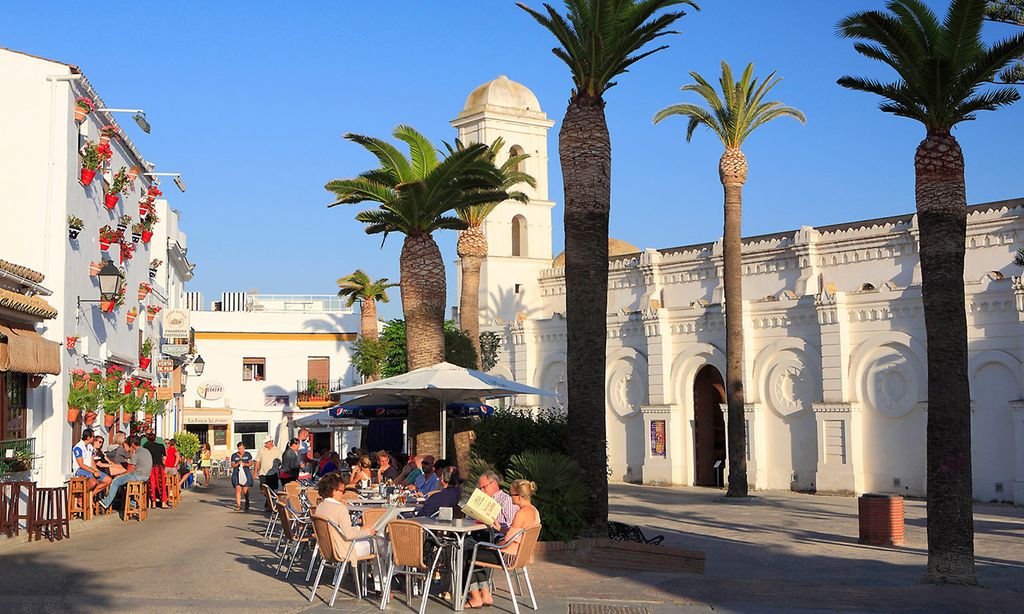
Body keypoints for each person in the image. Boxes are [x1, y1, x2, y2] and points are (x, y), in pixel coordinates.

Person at [465, 479, 541, 609]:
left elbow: (506, 542)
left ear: (519, 496)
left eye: (511, 494)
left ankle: (477, 597)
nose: (510, 497)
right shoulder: (534, 511)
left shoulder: (521, 513)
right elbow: (517, 534)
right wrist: (500, 528)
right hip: (522, 556)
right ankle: (485, 594)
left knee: (468, 553)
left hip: (509, 557)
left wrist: (494, 546)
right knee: (481, 551)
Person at [312, 472, 378, 561]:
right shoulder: (340, 508)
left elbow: (339, 530)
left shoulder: (320, 506)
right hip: (344, 550)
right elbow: (349, 535)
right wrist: (367, 532)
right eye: (343, 491)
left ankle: (377, 574)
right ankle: (387, 574)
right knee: (379, 543)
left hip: (328, 548)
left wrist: (360, 528)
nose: (344, 494)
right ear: (334, 491)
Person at [98, 436, 152, 511]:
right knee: (128, 484)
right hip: (146, 476)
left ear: (132, 444)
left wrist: (120, 475)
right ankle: (132, 503)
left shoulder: (135, 453)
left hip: (138, 476)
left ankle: (106, 503)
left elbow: (130, 469)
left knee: (116, 481)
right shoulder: (146, 451)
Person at [73, 429, 112, 496]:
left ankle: (90, 496)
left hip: (90, 469)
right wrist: (93, 472)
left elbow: (92, 460)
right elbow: (81, 464)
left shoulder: (90, 447)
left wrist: (96, 470)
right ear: (88, 437)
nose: (94, 438)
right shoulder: (78, 447)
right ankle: (81, 497)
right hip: (80, 470)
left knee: (108, 480)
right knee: (94, 482)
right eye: (93, 437)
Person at [255, 438, 282, 509]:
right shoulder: (261, 450)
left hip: (273, 474)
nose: (265, 444)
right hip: (263, 473)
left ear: (271, 442)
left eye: (266, 442)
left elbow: (280, 463)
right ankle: (269, 500)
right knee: (263, 489)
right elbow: (257, 461)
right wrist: (255, 472)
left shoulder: (278, 451)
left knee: (271, 489)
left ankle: (269, 504)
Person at [144, 432, 167, 508]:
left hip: (150, 467)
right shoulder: (160, 446)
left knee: (151, 484)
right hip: (159, 466)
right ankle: (163, 502)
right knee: (161, 484)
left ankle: (153, 502)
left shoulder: (146, 447)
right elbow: (164, 457)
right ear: (155, 438)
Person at [230, 442, 254, 511]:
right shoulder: (234, 456)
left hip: (245, 473)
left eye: (242, 448)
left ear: (244, 448)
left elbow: (250, 463)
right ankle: (238, 505)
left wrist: (244, 464)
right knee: (238, 489)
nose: (241, 450)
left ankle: (247, 500)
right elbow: (232, 465)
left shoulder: (248, 454)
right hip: (236, 473)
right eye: (239, 448)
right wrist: (237, 464)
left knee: (245, 490)